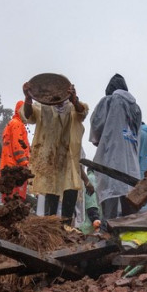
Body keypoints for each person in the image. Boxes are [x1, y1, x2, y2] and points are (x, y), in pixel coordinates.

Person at [21, 82, 88, 222]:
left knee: (70, 189)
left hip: (69, 158)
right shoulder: (43, 107)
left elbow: (83, 113)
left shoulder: (72, 107)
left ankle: (66, 225)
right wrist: (28, 97)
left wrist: (74, 99)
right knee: (51, 191)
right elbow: (29, 115)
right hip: (50, 159)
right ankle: (50, 227)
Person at [90, 73, 142, 220]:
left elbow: (96, 128)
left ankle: (109, 239)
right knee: (130, 216)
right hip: (132, 168)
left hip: (111, 162)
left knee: (110, 214)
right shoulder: (136, 108)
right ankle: (129, 242)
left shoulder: (109, 100)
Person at [0, 100, 31, 201]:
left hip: (8, 169)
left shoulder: (12, 124)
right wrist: (25, 165)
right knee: (15, 202)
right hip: (15, 170)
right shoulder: (17, 125)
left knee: (8, 201)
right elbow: (18, 147)